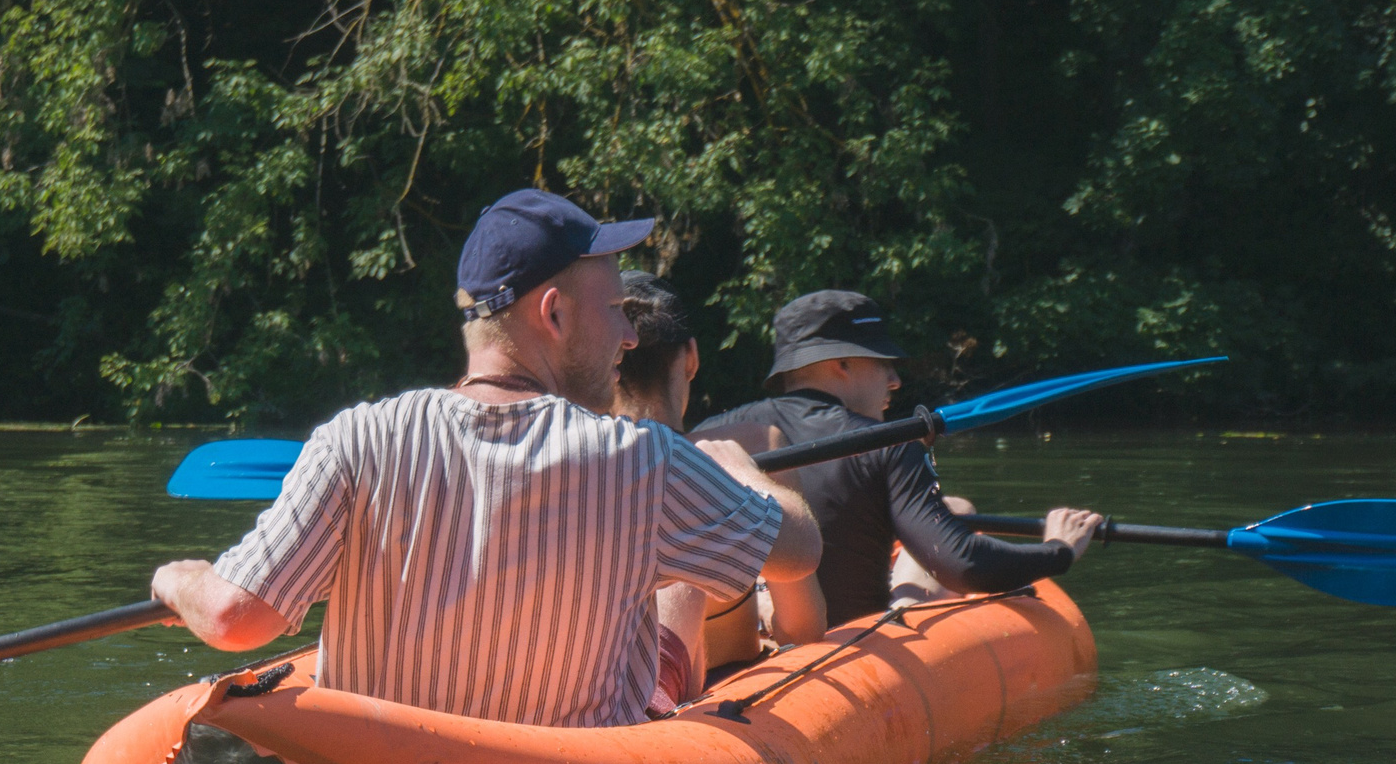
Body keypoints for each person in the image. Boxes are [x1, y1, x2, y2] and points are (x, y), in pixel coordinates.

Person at [148, 190, 823, 729]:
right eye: (617, 310)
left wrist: (178, 579)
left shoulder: (354, 439)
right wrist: (744, 470)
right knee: (677, 587)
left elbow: (235, 619)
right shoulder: (644, 462)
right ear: (553, 314)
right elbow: (798, 552)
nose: (629, 335)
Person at [694, 289, 1102, 624]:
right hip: (842, 646)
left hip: (744, 643)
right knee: (950, 518)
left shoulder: (714, 434)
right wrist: (1057, 551)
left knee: (955, 507)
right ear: (841, 364)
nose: (895, 380)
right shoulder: (887, 442)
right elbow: (960, 564)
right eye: (884, 364)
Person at [613, 271, 825, 706]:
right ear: (690, 357)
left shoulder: (576, 462)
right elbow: (803, 629)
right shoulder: (752, 443)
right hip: (690, 692)